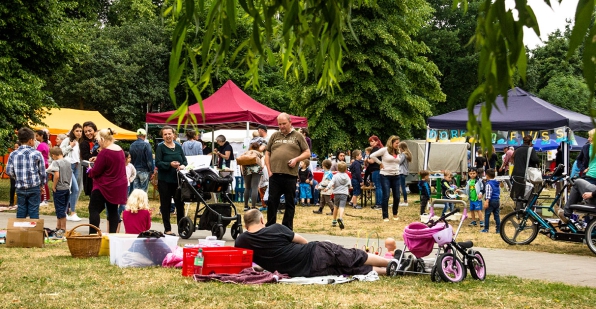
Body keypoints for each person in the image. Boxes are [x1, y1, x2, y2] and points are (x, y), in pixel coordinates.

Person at [234, 209, 389, 276]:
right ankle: (390, 263)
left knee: (344, 270)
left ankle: (386, 271)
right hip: (313, 253)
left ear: (246, 225)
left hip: (305, 272)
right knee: (353, 256)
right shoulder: (275, 228)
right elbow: (303, 241)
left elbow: (249, 263)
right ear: (262, 219)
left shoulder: (241, 241)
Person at [264, 113, 311, 230]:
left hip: (290, 175)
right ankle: (270, 227)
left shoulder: (298, 136)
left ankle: (287, 228)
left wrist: (296, 159)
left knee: (290, 202)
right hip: (274, 174)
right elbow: (267, 153)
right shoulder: (274, 135)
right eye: (279, 124)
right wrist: (269, 170)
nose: (282, 126)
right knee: (272, 202)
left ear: (290, 122)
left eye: (284, 124)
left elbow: (307, 152)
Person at [87, 129, 128, 234]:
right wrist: (98, 159)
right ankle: (113, 234)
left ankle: (93, 234)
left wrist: (89, 170)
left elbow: (96, 171)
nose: (98, 143)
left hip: (104, 185)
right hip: (118, 185)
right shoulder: (119, 149)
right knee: (113, 210)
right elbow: (112, 162)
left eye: (97, 140)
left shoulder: (104, 152)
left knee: (93, 209)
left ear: (102, 139)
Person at [6, 128, 46, 219]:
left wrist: (17, 177)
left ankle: (20, 231)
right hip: (34, 186)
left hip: (20, 187)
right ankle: (34, 231)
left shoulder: (13, 154)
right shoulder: (37, 153)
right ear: (30, 141)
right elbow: (42, 172)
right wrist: (42, 185)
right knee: (34, 210)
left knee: (21, 209)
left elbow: (9, 171)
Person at [155, 126, 187, 235]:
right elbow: (158, 163)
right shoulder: (160, 147)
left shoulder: (178, 146)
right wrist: (169, 164)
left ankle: (181, 228)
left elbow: (185, 161)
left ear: (173, 134)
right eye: (165, 134)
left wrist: (182, 166)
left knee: (180, 204)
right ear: (162, 136)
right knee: (166, 205)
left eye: (169, 133)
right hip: (164, 180)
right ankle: (167, 229)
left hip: (177, 180)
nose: (168, 136)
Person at [370, 135, 401, 221]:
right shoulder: (385, 150)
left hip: (396, 175)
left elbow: (399, 161)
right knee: (386, 195)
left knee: (397, 196)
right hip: (385, 175)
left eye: (398, 143)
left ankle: (395, 213)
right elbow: (372, 155)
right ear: (391, 143)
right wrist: (380, 163)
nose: (398, 145)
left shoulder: (398, 151)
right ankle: (385, 216)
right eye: (396, 143)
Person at [46, 147, 72, 235]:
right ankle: (58, 226)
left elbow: (56, 175)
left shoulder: (56, 162)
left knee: (59, 208)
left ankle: (63, 228)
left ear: (53, 155)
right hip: (67, 187)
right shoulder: (68, 162)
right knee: (64, 207)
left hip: (59, 188)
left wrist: (53, 186)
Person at [60, 123, 83, 222]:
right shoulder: (67, 140)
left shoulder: (80, 141)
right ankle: (72, 212)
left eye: (80, 131)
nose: (79, 133)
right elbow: (60, 152)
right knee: (75, 188)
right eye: (77, 131)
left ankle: (67, 212)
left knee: (73, 189)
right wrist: (70, 146)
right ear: (73, 131)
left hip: (77, 166)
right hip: (69, 166)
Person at [510, 135, 539, 211]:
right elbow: (536, 160)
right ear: (530, 142)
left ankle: (519, 211)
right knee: (529, 193)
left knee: (519, 195)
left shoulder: (517, 150)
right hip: (526, 175)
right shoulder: (530, 149)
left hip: (516, 174)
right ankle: (528, 210)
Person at [324, 161, 352, 229]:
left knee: (336, 207)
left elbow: (331, 183)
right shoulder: (347, 176)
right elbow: (349, 185)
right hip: (344, 193)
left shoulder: (335, 176)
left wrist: (327, 188)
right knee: (342, 207)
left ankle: (334, 220)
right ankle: (341, 218)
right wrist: (348, 187)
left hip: (337, 193)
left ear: (338, 169)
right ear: (345, 169)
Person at [241, 142, 264, 211]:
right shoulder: (259, 154)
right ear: (258, 147)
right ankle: (253, 206)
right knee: (254, 187)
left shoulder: (246, 153)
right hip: (256, 170)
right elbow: (262, 165)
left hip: (246, 170)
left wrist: (243, 171)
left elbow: (241, 162)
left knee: (247, 188)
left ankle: (245, 206)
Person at [80, 121, 100, 196]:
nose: (88, 133)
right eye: (85, 132)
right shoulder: (84, 143)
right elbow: (87, 157)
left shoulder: (100, 141)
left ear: (95, 130)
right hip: (90, 172)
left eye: (90, 131)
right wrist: (98, 149)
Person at [367, 135, 384, 210]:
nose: (371, 143)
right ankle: (380, 203)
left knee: (378, 186)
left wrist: (366, 160)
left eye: (372, 141)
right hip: (379, 169)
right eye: (370, 141)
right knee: (379, 186)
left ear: (376, 141)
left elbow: (372, 161)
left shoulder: (375, 149)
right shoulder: (380, 148)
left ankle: (379, 204)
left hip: (376, 169)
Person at [482, 168, 501, 233]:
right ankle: (498, 229)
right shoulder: (497, 183)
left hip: (491, 201)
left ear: (486, 175)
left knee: (487, 215)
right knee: (497, 216)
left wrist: (487, 201)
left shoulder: (488, 184)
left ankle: (486, 229)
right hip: (497, 200)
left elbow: (488, 193)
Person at [35, 130, 50, 206]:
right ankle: (44, 198)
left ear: (41, 136)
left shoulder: (41, 145)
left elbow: (37, 155)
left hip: (42, 164)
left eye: (37, 136)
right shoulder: (46, 144)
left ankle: (44, 198)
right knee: (44, 181)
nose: (36, 137)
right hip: (46, 163)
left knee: (43, 182)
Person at [396, 142, 412, 207]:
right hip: (404, 172)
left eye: (399, 147)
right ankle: (404, 201)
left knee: (401, 187)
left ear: (402, 148)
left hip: (401, 172)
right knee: (402, 187)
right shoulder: (407, 154)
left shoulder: (403, 154)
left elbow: (399, 162)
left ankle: (404, 201)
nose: (398, 149)